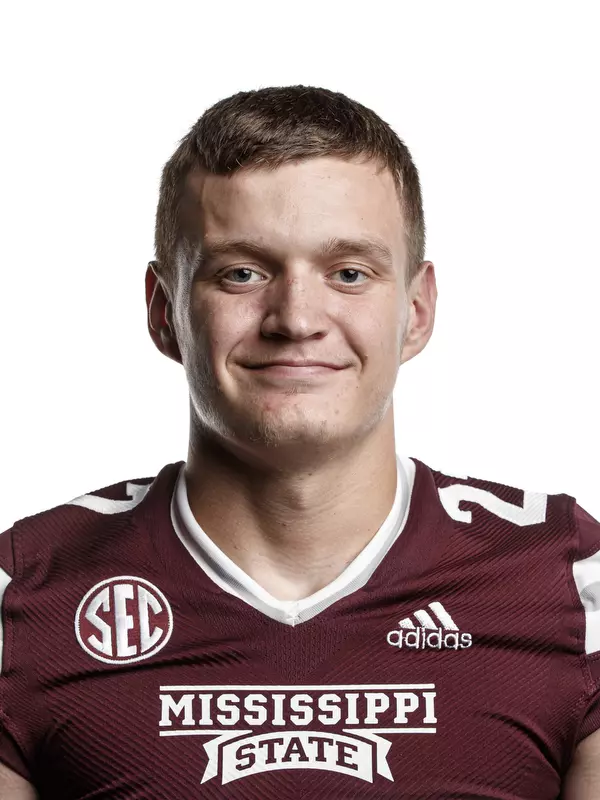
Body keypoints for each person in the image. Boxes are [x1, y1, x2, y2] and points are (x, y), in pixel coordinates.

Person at [0, 85, 598, 799]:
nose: (296, 318)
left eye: (349, 273)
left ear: (415, 310)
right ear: (165, 313)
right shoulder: (27, 595)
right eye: (242, 273)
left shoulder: (567, 583)